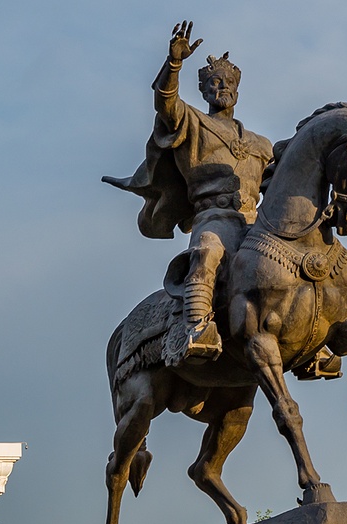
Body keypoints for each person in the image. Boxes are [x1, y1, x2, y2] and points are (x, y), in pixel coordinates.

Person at [104, 21, 274, 365]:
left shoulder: (261, 144)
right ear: (204, 91)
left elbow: (280, 183)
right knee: (206, 254)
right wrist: (174, 63)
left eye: (227, 82)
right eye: (213, 82)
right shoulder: (191, 122)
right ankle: (196, 329)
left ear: (237, 91)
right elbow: (165, 104)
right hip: (214, 218)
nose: (221, 86)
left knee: (291, 261)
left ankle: (317, 343)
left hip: (254, 222)